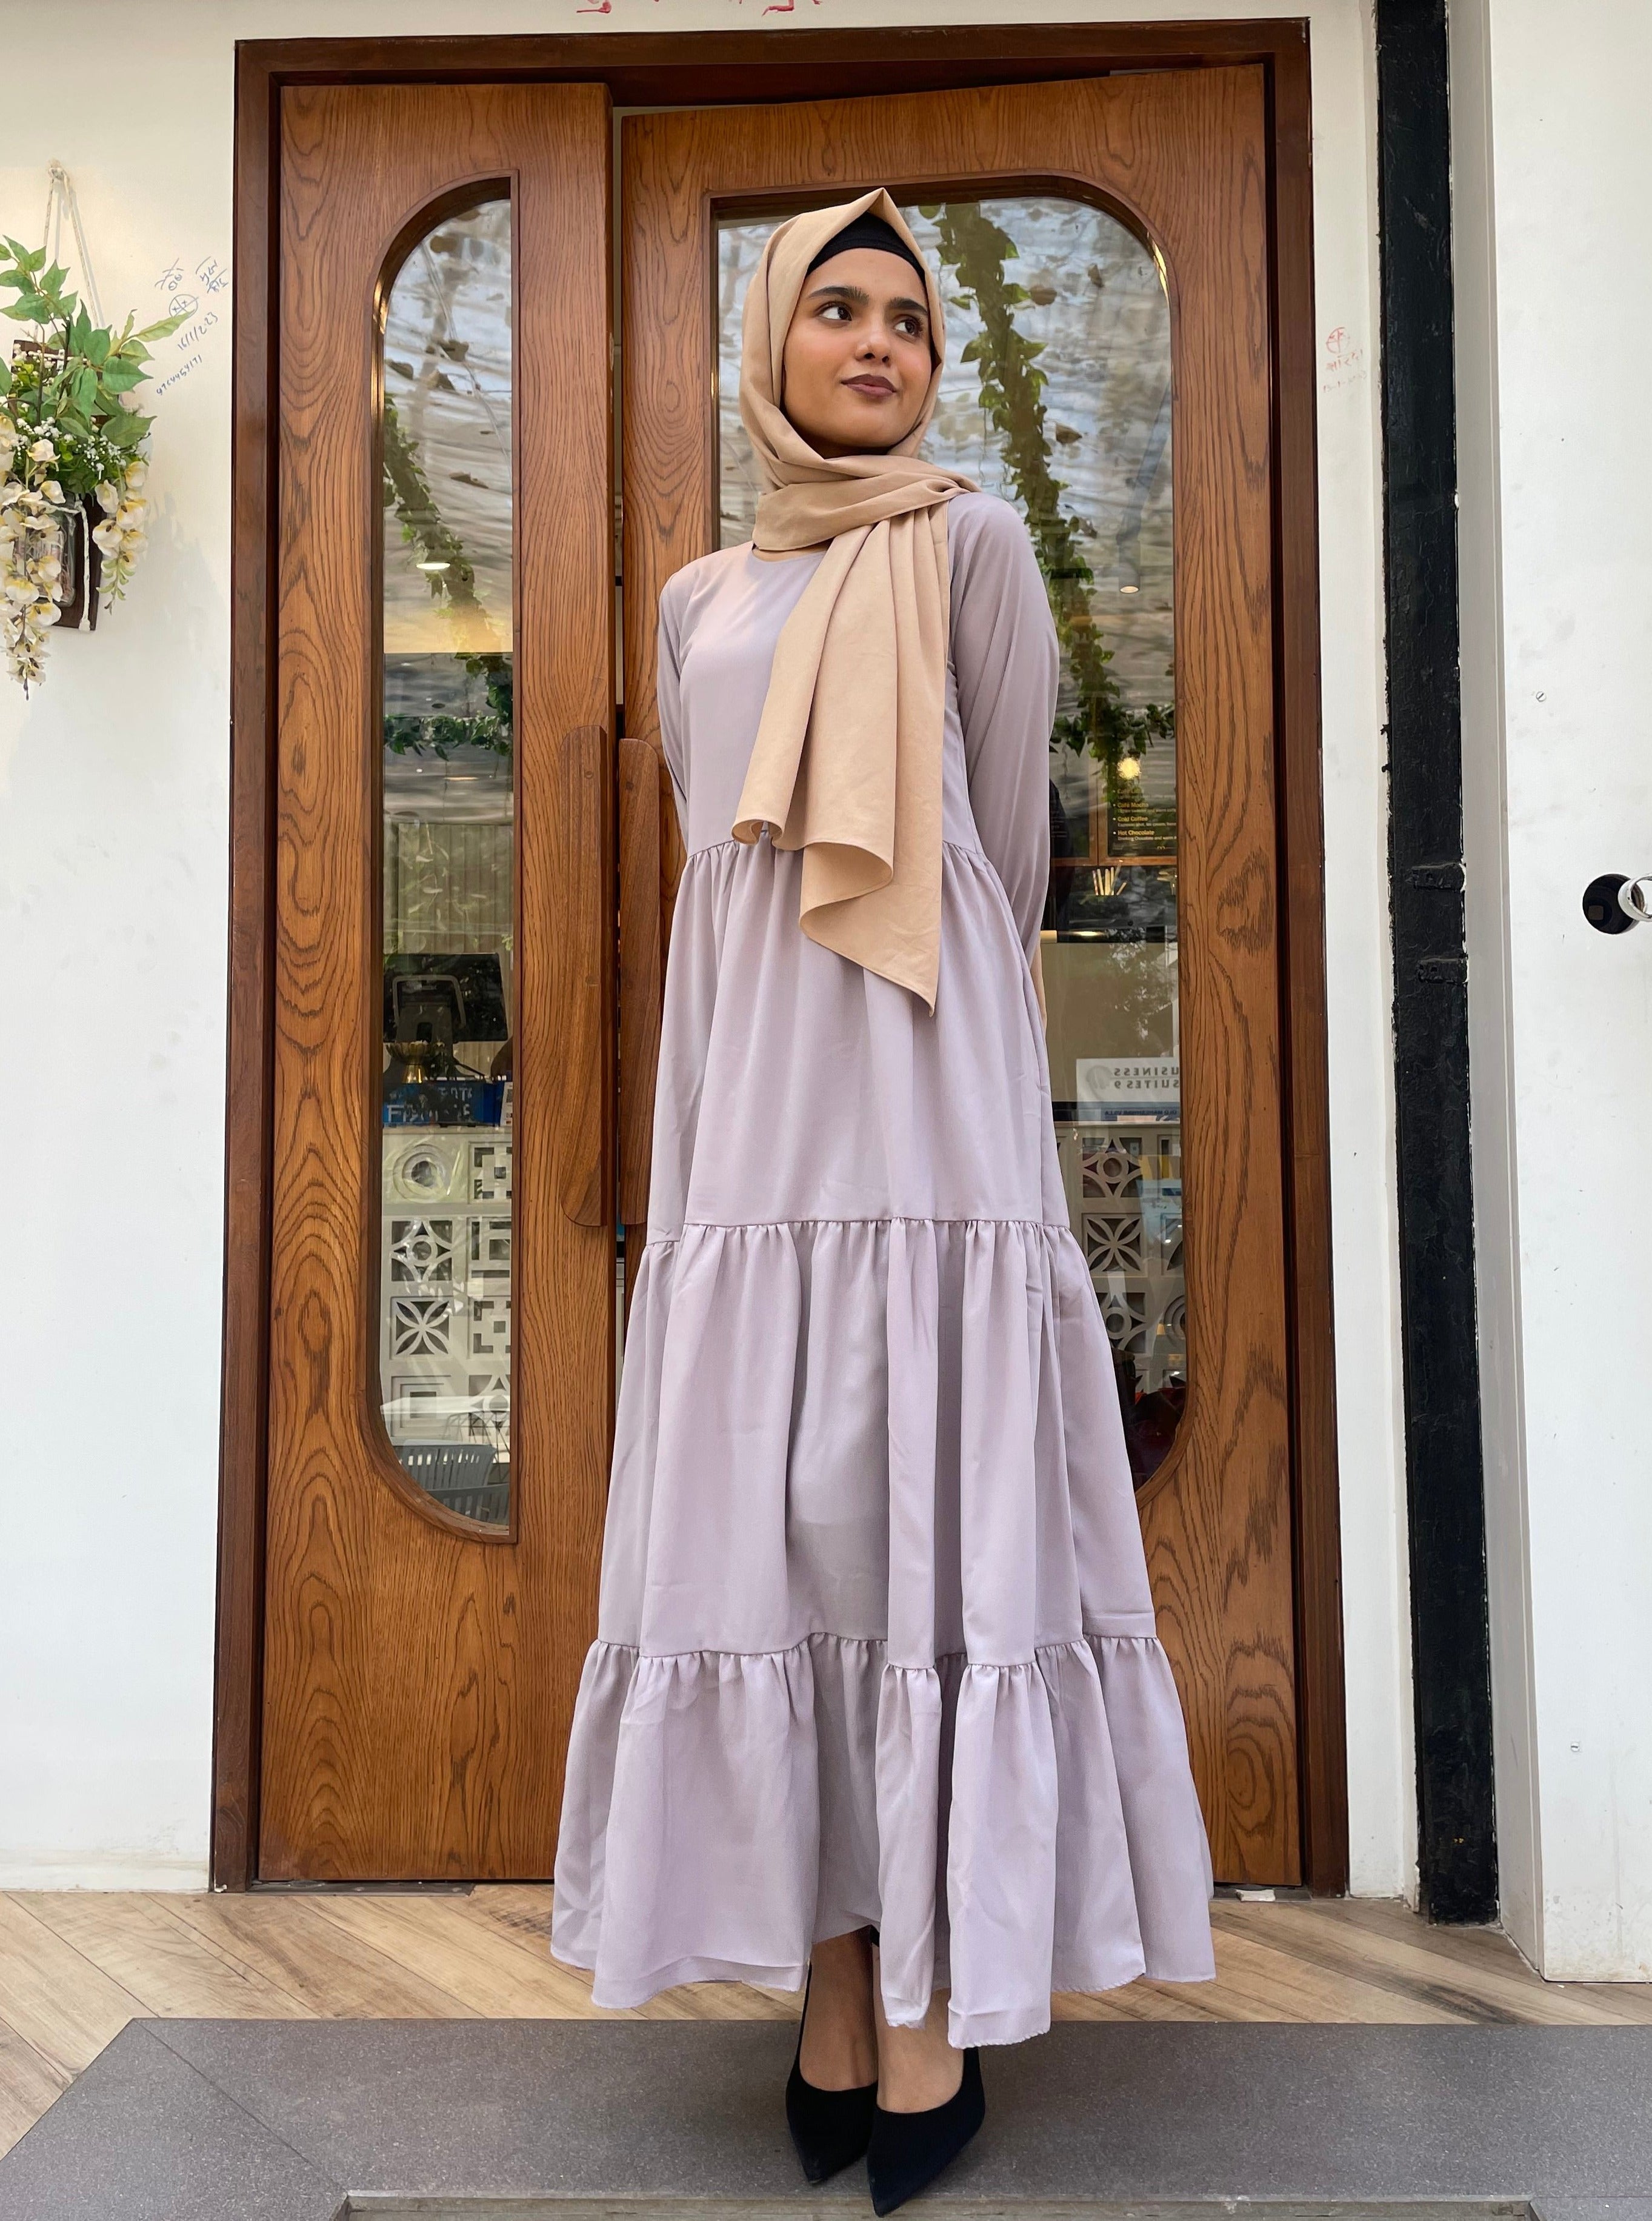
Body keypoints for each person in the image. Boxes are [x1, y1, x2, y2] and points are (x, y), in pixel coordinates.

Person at [551, 190, 1214, 2215]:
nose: (873, 343)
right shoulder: (697, 595)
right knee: (793, 1538)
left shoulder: (975, 544)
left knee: (930, 1524)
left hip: (928, 1097)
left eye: (907, 321)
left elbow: (1003, 845)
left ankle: (935, 1998)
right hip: (756, 1123)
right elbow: (718, 855)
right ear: (772, 345)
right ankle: (832, 1981)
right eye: (834, 309)